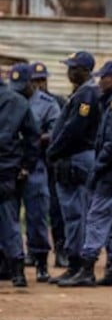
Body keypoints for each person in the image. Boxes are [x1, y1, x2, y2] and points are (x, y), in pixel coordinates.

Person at [59, 61, 112, 288]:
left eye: (102, 78)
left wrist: (98, 168)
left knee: (96, 220)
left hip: (111, 176)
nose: (99, 82)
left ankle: (86, 269)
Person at [46, 51, 102, 284]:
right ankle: (73, 265)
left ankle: (80, 265)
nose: (70, 72)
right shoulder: (80, 93)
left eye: (74, 68)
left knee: (77, 213)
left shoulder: (87, 93)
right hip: (72, 157)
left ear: (86, 71)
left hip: (77, 157)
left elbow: (76, 129)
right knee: (71, 214)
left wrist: (53, 150)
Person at [9, 63, 61, 283]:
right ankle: (13, 263)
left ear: (34, 82)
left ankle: (40, 262)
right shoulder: (9, 100)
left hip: (36, 165)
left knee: (37, 216)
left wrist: (36, 139)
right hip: (9, 165)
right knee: (9, 217)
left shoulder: (48, 104)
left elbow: (57, 132)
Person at [0, 72, 40, 287]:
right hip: (7, 168)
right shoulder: (18, 101)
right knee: (10, 219)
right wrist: (26, 165)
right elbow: (32, 136)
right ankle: (17, 270)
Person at [31, 61, 69, 269]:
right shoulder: (19, 101)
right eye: (36, 81)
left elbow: (61, 132)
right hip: (28, 161)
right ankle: (32, 251)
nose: (39, 84)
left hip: (52, 162)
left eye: (42, 80)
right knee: (33, 211)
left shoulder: (58, 102)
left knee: (56, 209)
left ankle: (61, 250)